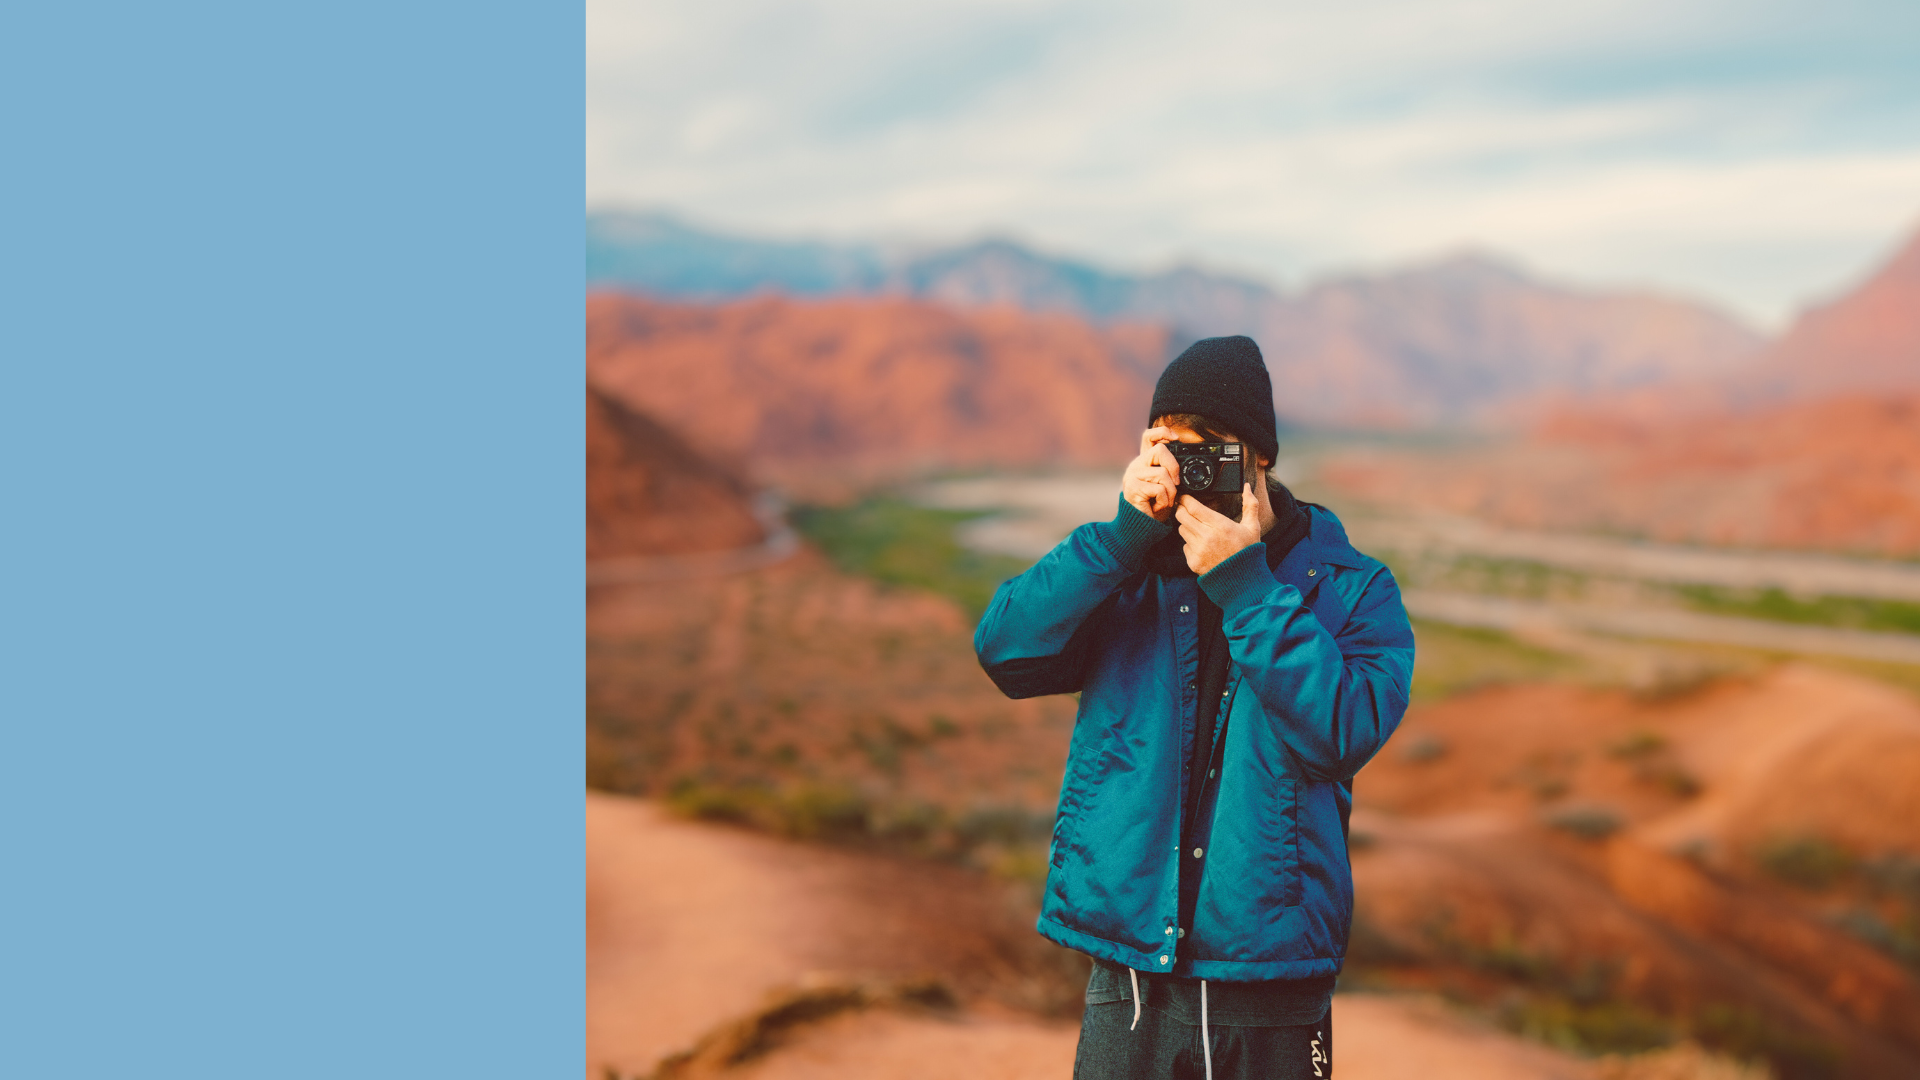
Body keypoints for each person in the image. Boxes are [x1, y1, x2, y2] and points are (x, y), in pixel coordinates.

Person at [974, 335, 1415, 1079]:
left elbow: (1341, 732)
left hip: (1268, 977)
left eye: (1209, 446)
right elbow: (1006, 655)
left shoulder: (1354, 588)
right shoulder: (1125, 570)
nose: (1189, 467)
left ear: (1260, 457)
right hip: (1131, 967)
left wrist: (1246, 584)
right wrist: (1121, 539)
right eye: (1169, 445)